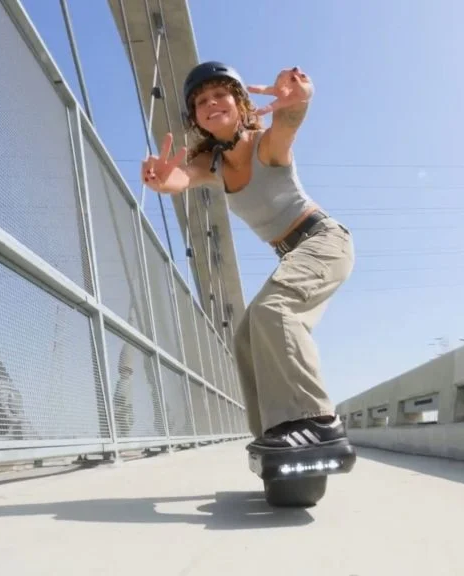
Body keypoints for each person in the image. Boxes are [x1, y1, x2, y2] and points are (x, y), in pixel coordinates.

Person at [140, 61, 354, 452]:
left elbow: (288, 123)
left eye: (220, 94)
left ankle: (319, 421)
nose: (211, 103)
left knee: (275, 311)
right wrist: (161, 180)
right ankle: (275, 434)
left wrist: (300, 100)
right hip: (293, 254)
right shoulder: (210, 162)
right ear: (196, 118)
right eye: (201, 101)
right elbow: (181, 178)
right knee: (247, 338)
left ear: (240, 102)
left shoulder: (264, 146)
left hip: (324, 241)